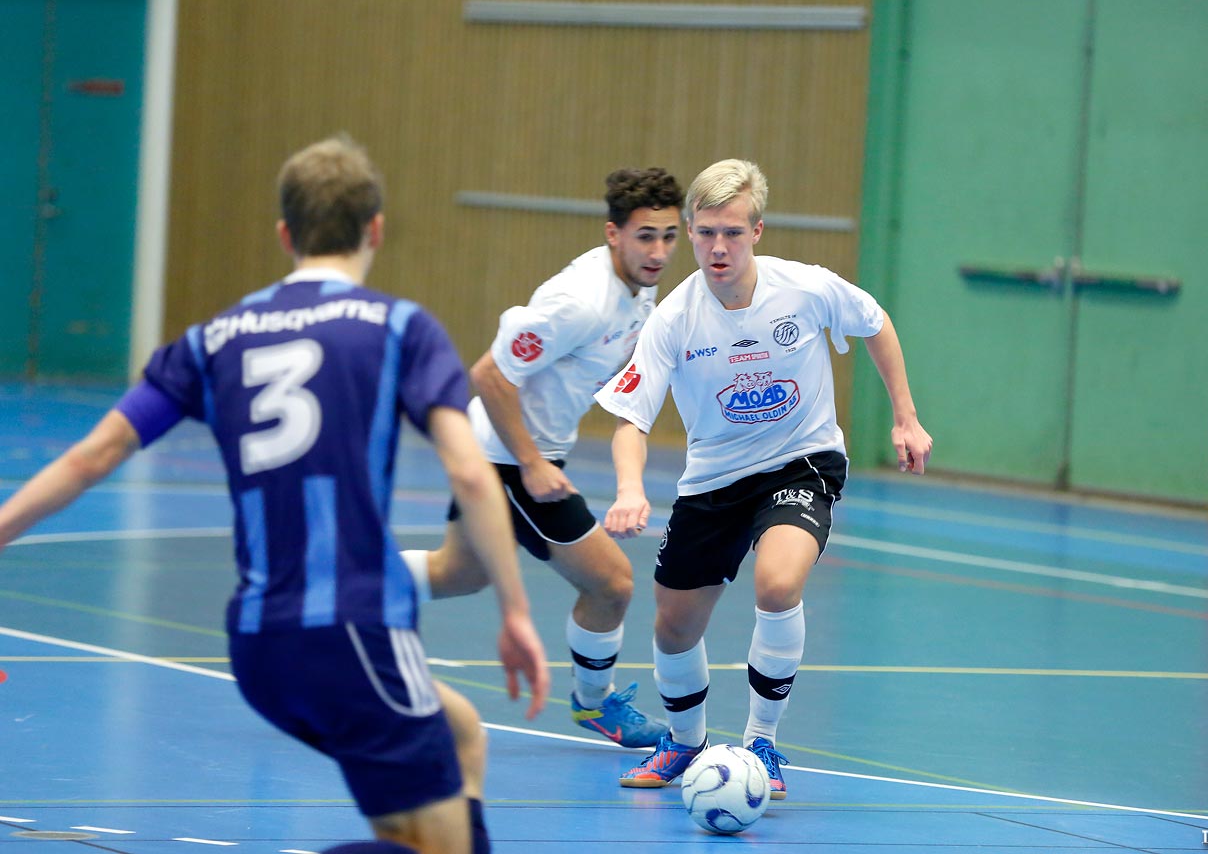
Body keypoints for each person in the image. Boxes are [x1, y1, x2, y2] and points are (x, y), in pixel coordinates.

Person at [0, 136, 549, 854]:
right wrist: (513, 610)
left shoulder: (212, 339)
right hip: (354, 629)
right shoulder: (398, 328)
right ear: (375, 230)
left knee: (461, 733)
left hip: (259, 646)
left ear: (285, 235)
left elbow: (92, 455)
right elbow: (472, 474)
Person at [594, 158, 933, 799]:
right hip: (715, 477)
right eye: (705, 234)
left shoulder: (806, 289)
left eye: (733, 233)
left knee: (778, 584)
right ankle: (684, 741)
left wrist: (905, 419)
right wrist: (631, 489)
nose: (718, 248)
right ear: (690, 231)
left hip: (800, 460)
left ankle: (762, 743)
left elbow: (876, 323)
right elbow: (629, 419)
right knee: (673, 626)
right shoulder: (673, 319)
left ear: (758, 231)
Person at [402, 167, 682, 750]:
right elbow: (488, 375)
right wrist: (531, 462)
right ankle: (594, 707)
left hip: (514, 451)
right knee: (612, 584)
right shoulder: (577, 303)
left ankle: (329, 586)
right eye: (645, 236)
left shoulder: (642, 284)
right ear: (614, 234)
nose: (658, 251)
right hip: (505, 458)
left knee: (459, 573)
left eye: (668, 236)